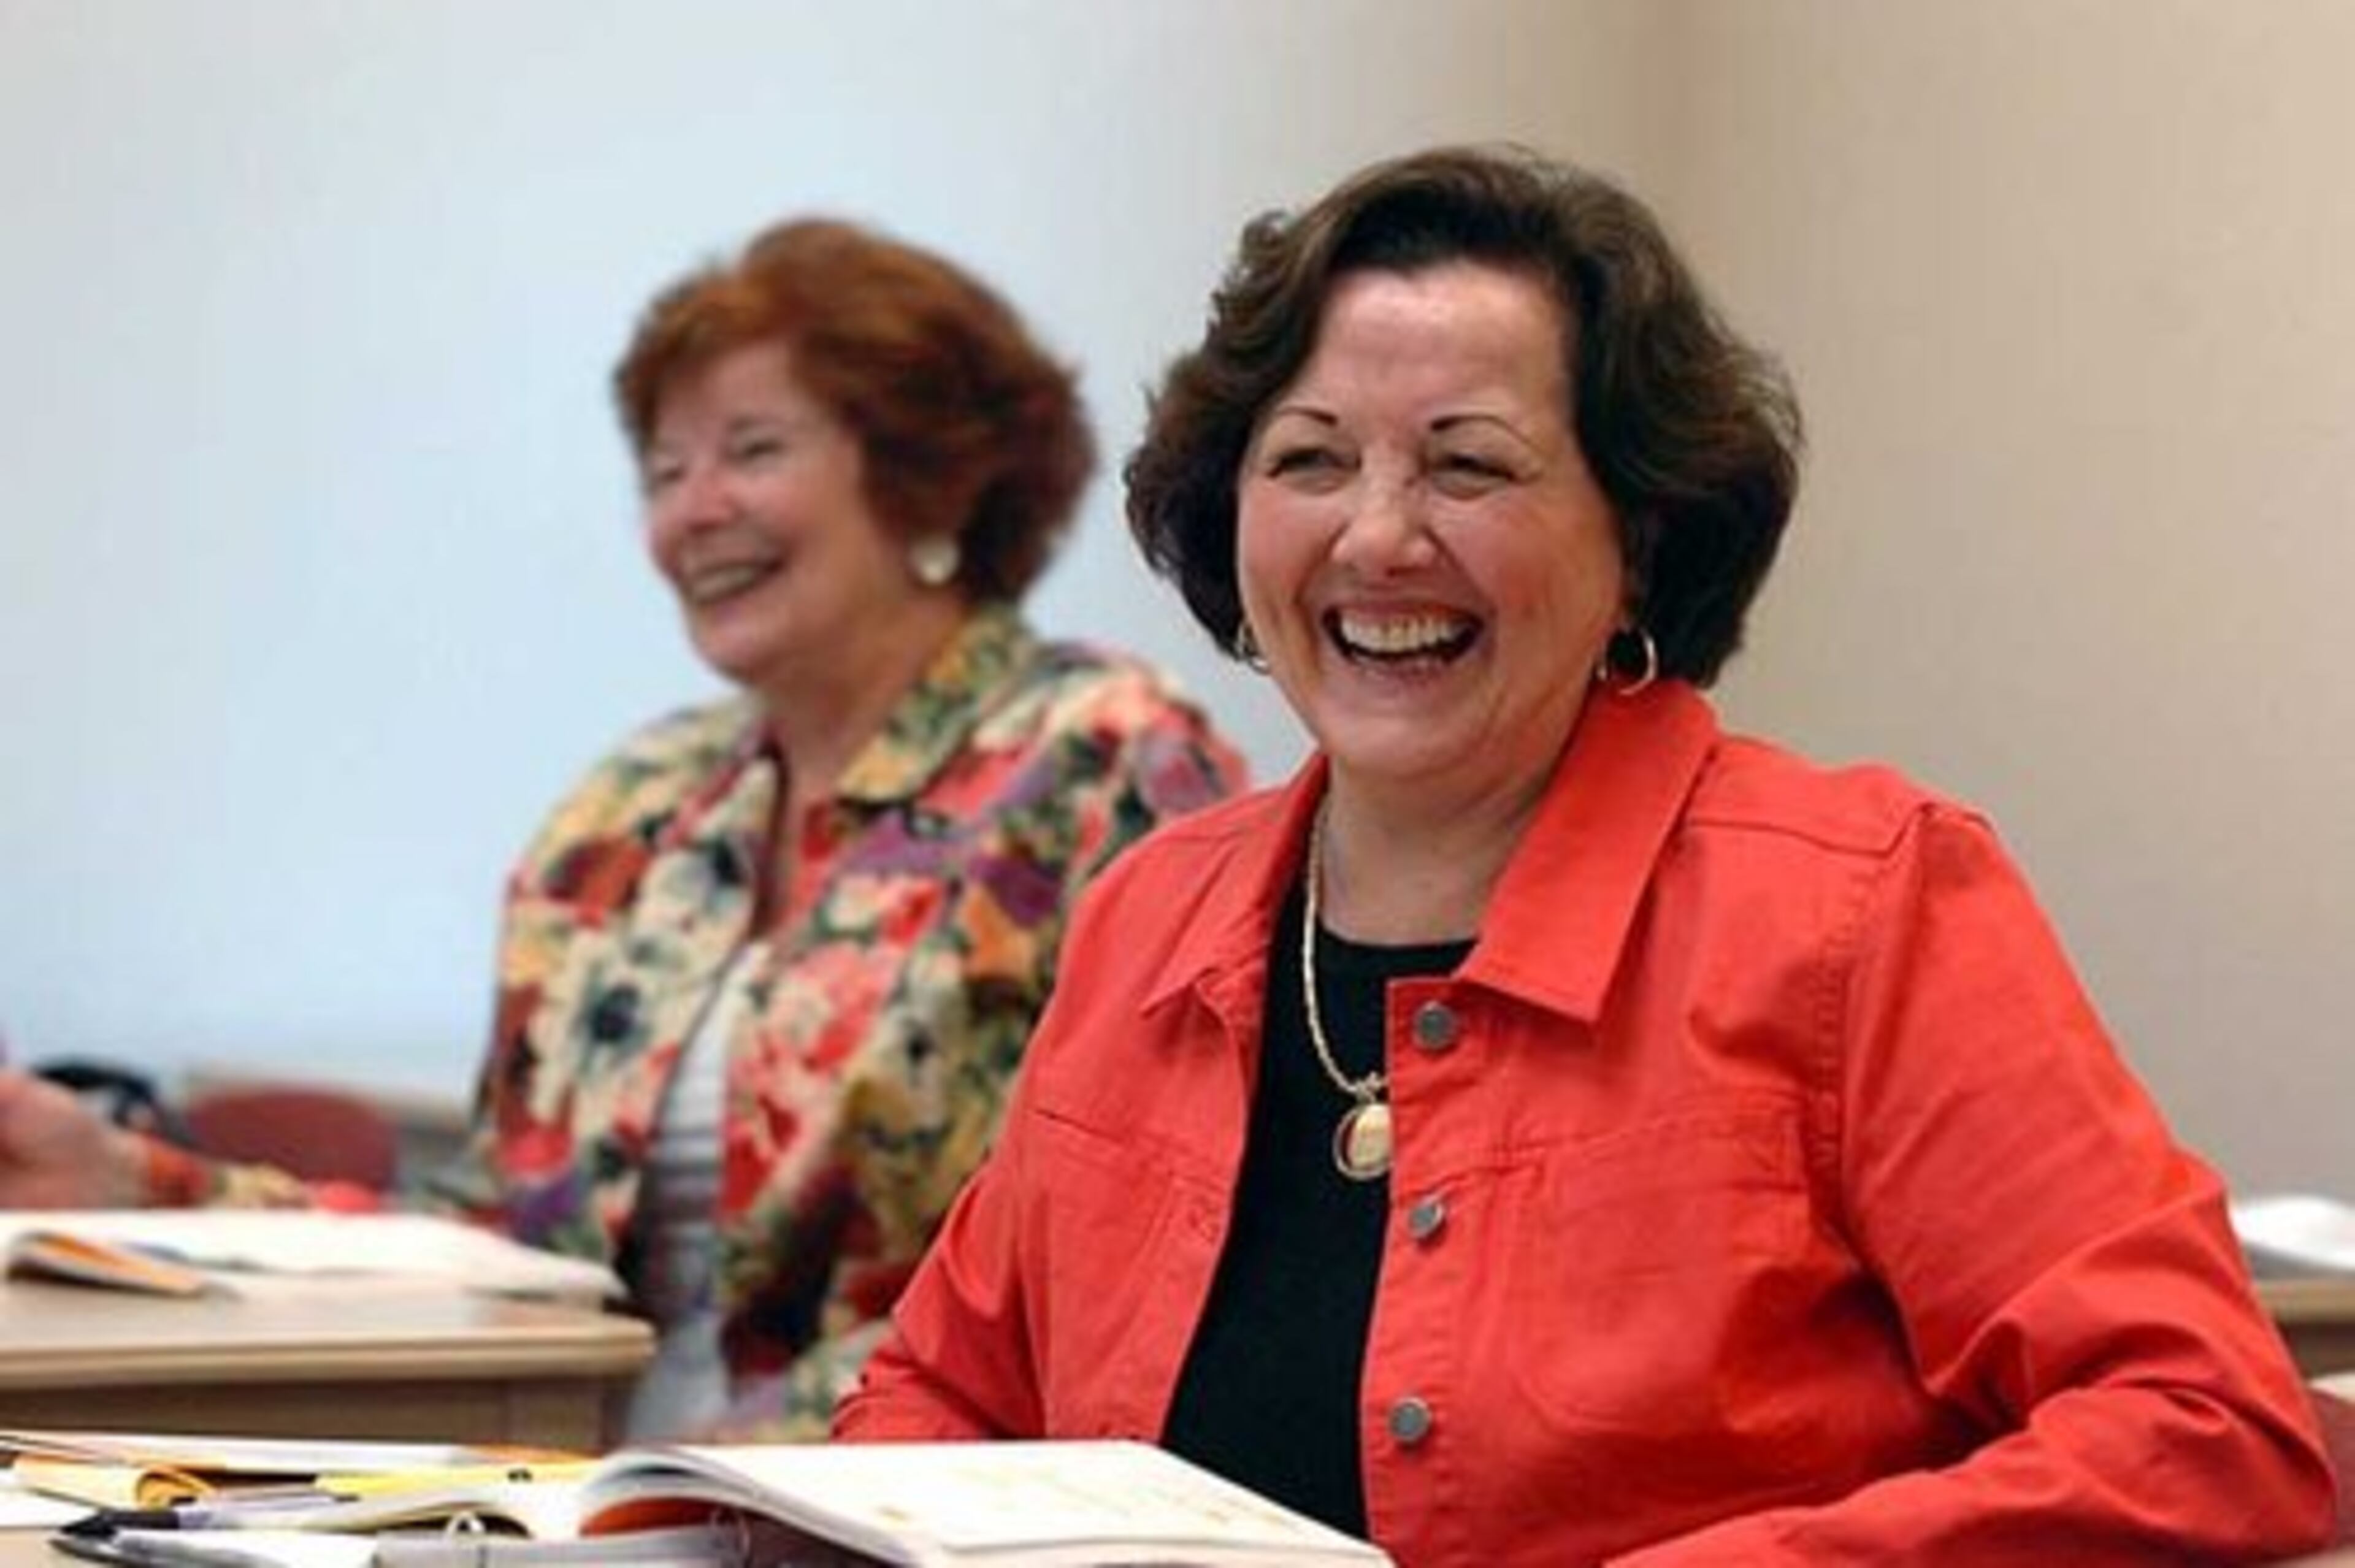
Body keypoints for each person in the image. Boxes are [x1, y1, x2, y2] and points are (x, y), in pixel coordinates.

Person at [833, 146, 2334, 1563]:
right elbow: (942, 1405)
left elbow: (2209, 1423)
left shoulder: (1862, 901)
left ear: (1642, 543)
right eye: (1309, 459)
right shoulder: (1152, 915)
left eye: (1468, 467)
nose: (1375, 537)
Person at [0, 216, 1246, 1439]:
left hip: (892, 1501)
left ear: (928, 471)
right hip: (567, 1487)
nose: (693, 511)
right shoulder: (633, 811)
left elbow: (1126, 1245)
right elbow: (506, 1247)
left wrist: (750, 1475)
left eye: (750, 450)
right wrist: (135, 1187)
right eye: (663, 471)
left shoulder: (1103, 757)